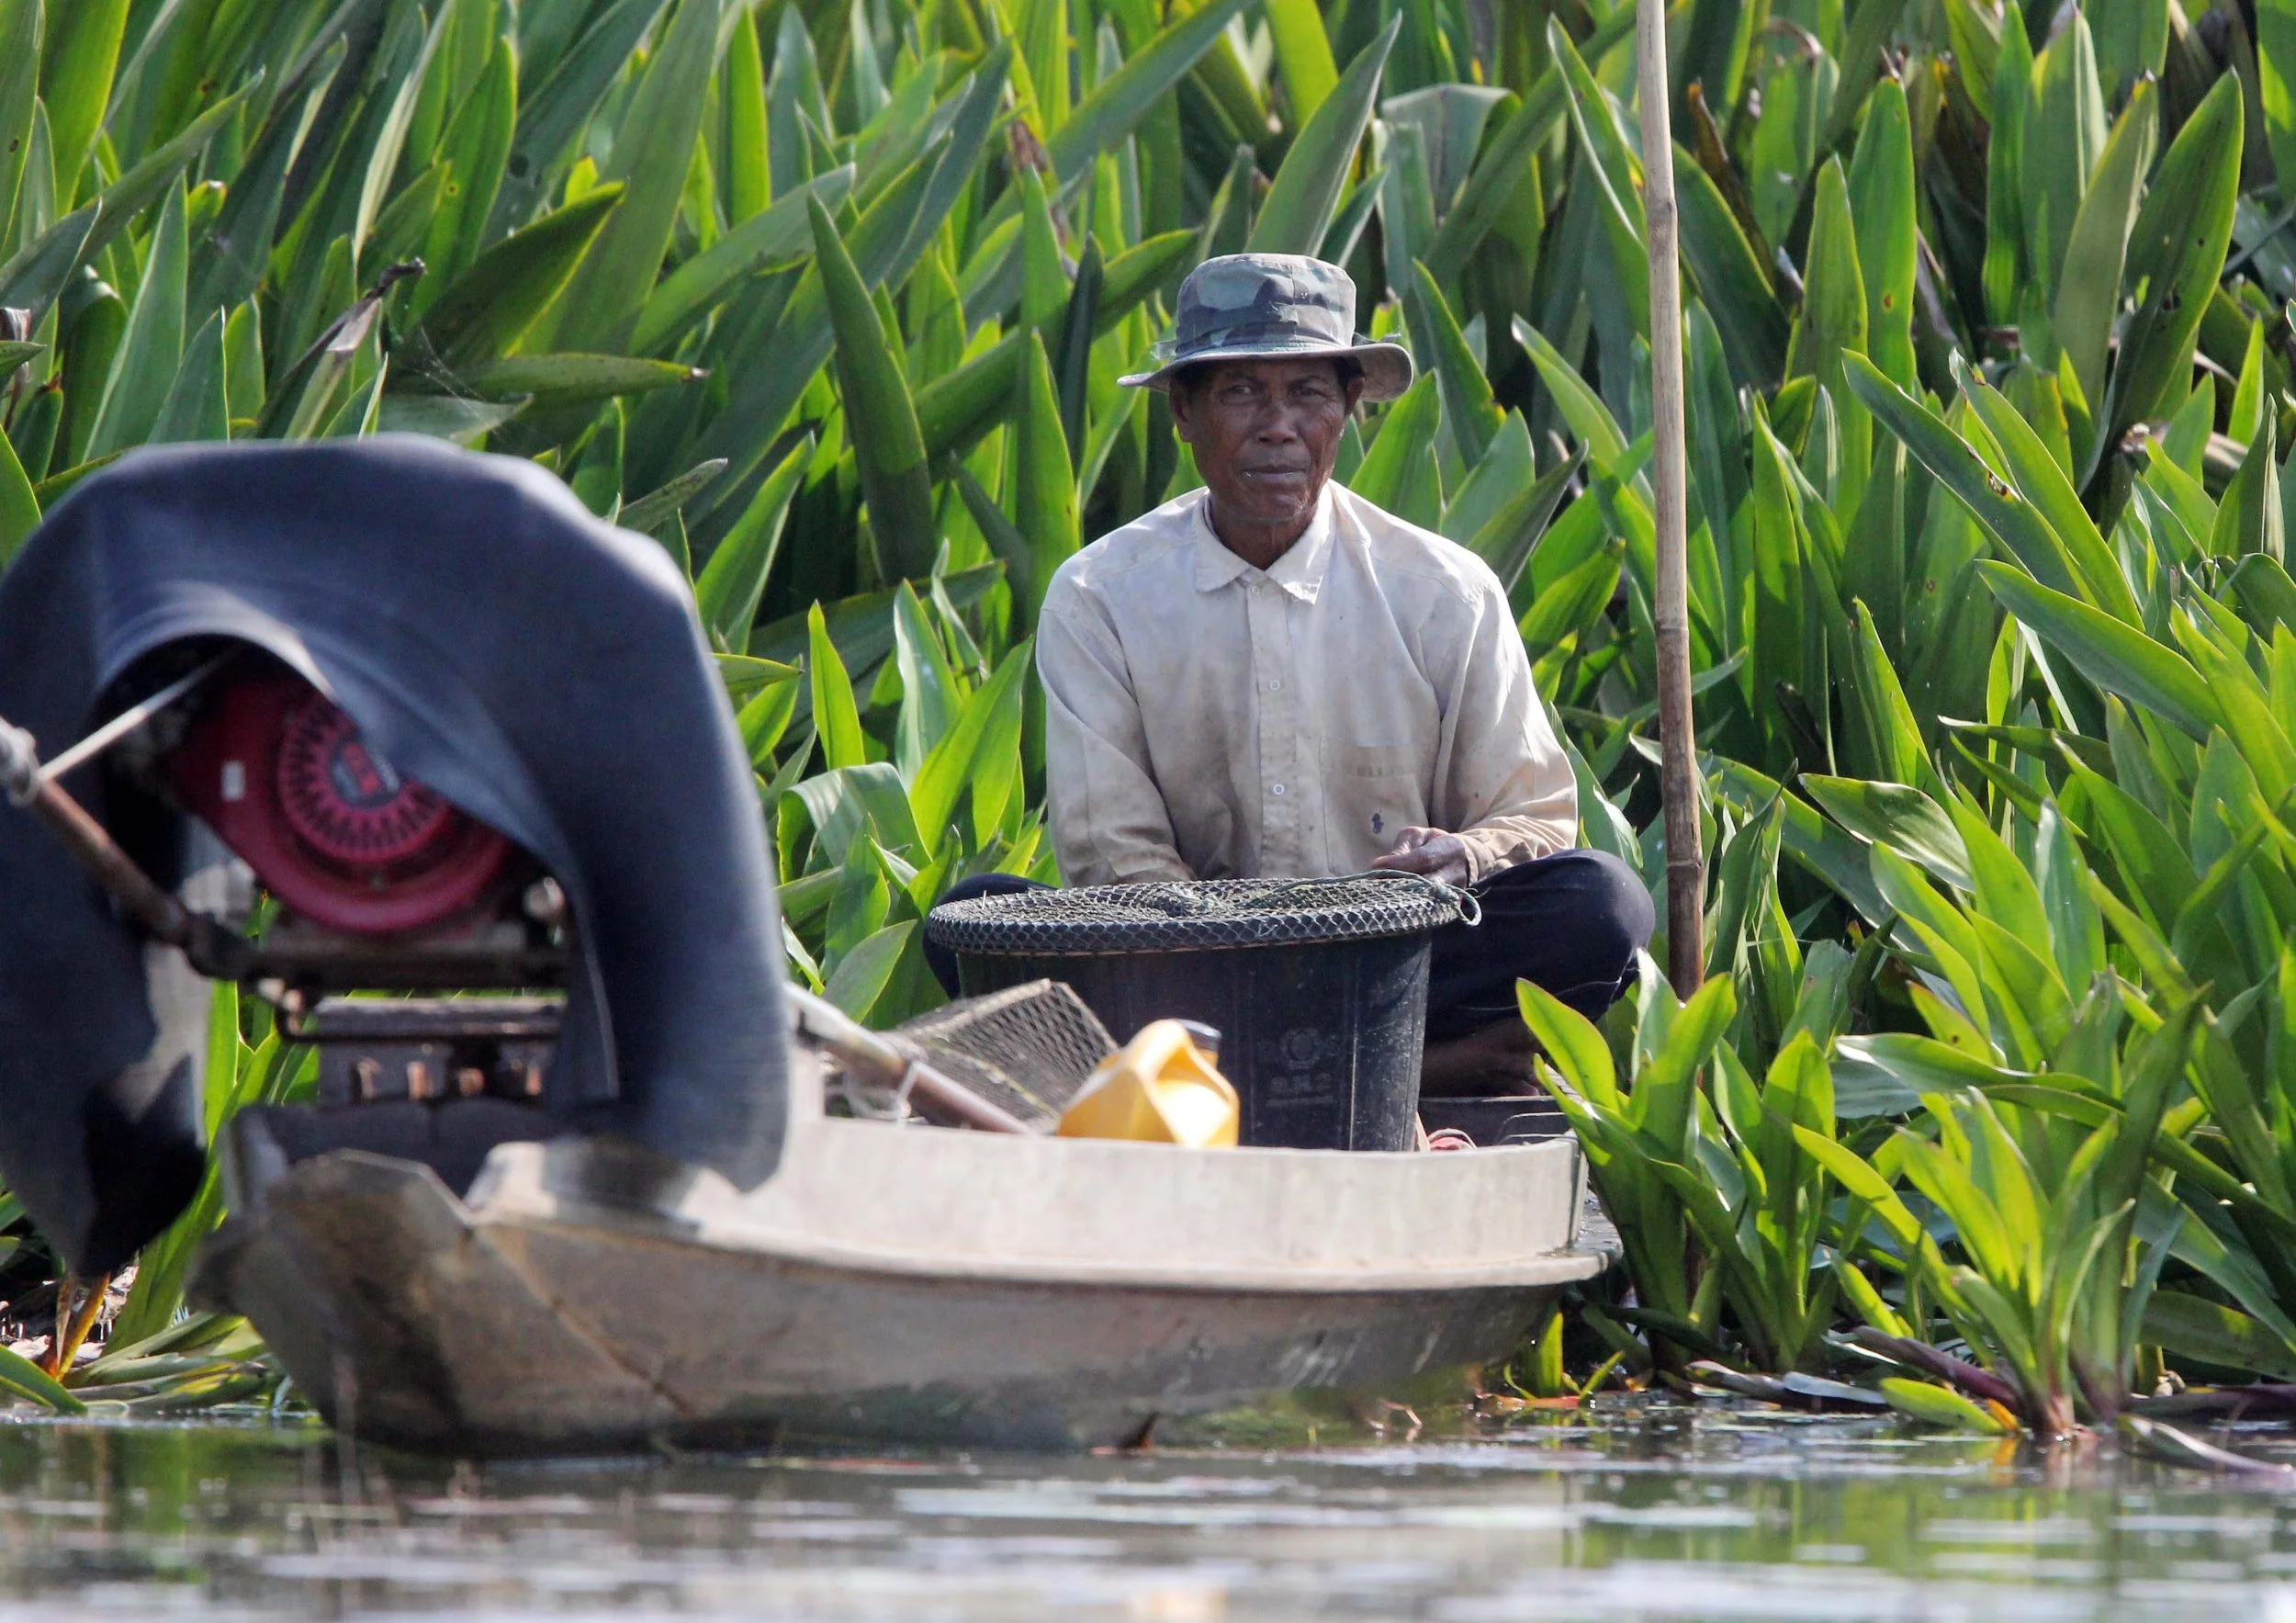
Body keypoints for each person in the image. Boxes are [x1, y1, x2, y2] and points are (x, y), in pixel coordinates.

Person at [931, 254, 1652, 1093]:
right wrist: (1226, 944)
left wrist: (1461, 855)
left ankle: (1240, 1075)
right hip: (1188, 968)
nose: (1278, 426)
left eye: (1308, 393)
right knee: (969, 920)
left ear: (1349, 408)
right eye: (1241, 392)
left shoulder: (1443, 592)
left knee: (1603, 903)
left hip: (1394, 965)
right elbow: (1114, 863)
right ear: (1184, 412)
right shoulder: (1102, 596)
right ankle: (1408, 1072)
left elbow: (1530, 816)